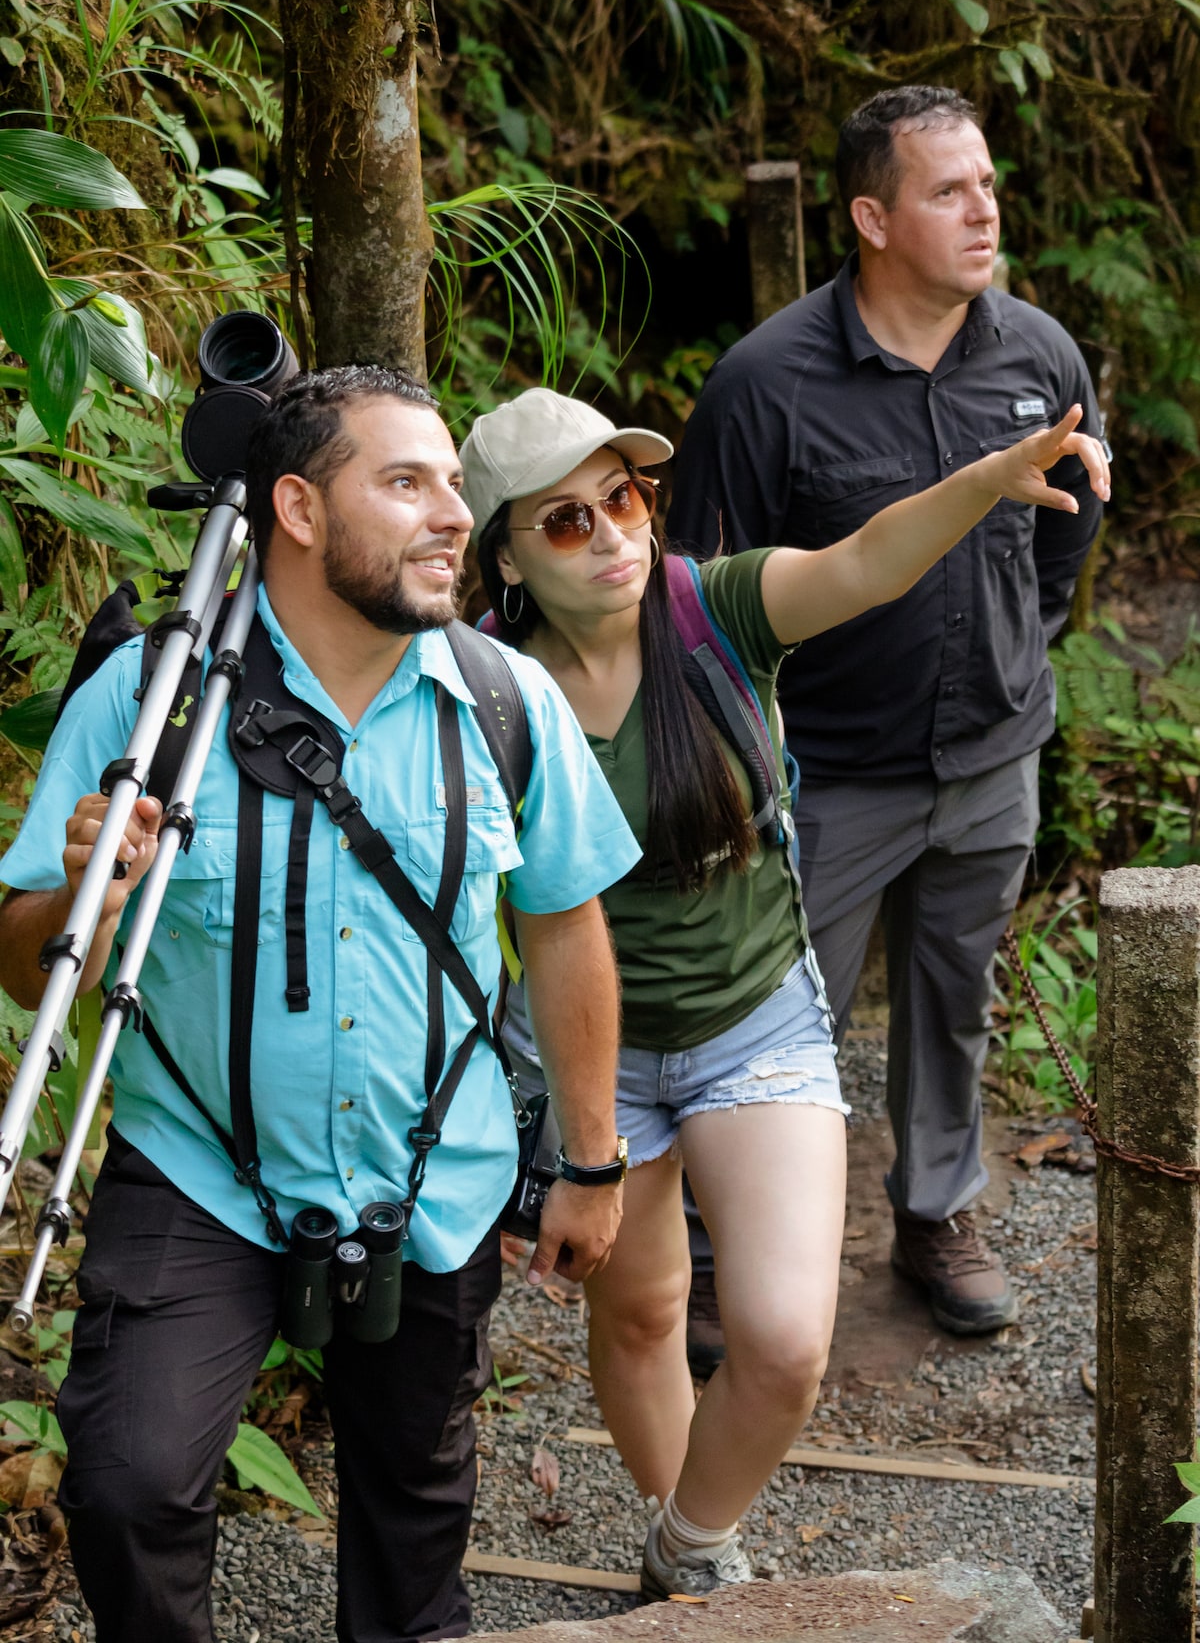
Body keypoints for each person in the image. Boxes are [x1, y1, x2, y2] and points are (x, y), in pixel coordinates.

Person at [0, 366, 642, 1643]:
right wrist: (88, 888)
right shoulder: (150, 699)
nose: (452, 513)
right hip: (198, 1169)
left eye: (453, 483)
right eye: (405, 483)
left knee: (414, 1522)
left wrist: (591, 1160)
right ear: (296, 509)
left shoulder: (503, 702)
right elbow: (28, 966)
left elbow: (566, 928)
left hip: (435, 1175)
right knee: (127, 1485)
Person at [460, 382, 1108, 1595]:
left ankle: (688, 1541)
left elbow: (865, 562)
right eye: (567, 521)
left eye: (623, 498)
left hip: (753, 1020)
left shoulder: (713, 613)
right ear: (503, 554)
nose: (611, 536)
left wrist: (985, 482)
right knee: (643, 1315)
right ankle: (694, 1575)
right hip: (591, 1059)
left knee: (782, 1342)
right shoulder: (479, 689)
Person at [666, 84, 1108, 1351]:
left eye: (988, 184)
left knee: (954, 998)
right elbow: (697, 596)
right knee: (764, 1012)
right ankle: (719, 1250)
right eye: (948, 191)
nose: (985, 211)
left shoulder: (1040, 359)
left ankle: (936, 1213)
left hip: (991, 758)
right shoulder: (768, 384)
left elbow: (1064, 552)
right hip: (822, 776)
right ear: (871, 218)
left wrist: (1012, 663)